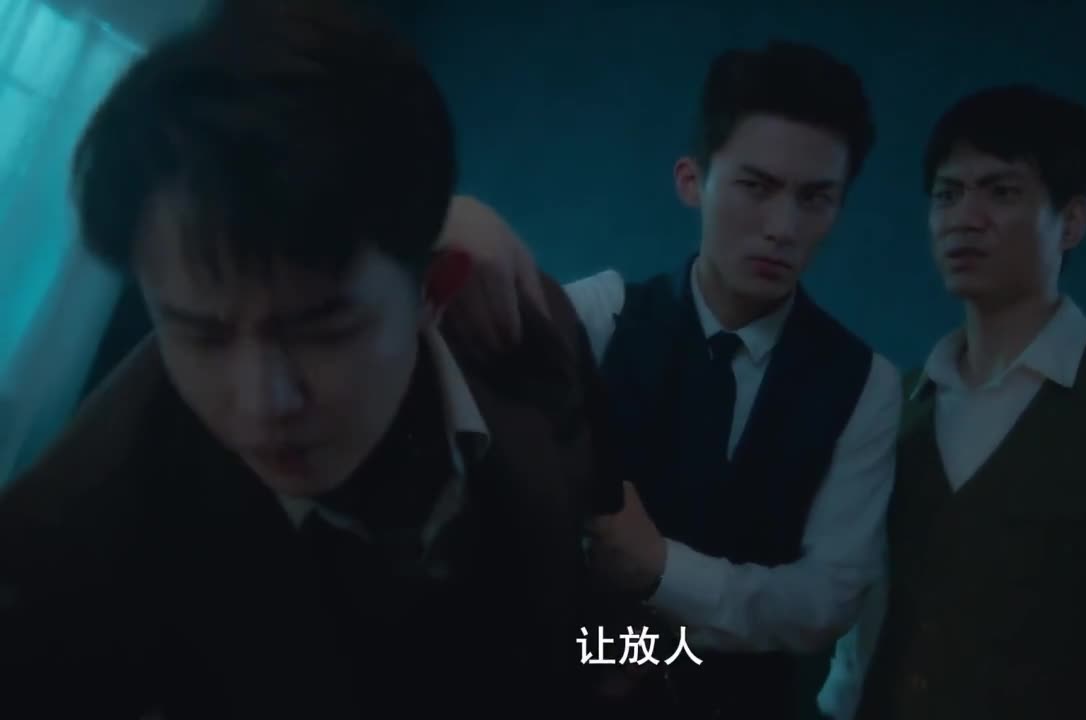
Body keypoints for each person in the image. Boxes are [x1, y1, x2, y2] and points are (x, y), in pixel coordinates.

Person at [0, 2, 626, 717]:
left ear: (434, 288)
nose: (261, 403)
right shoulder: (64, 569)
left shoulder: (532, 326)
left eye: (321, 330)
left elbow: (595, 549)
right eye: (200, 335)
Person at [442, 41, 902, 717]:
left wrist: (661, 569)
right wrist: (451, 223)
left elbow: (824, 601)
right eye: (756, 186)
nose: (782, 227)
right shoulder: (599, 317)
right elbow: (443, 396)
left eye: (815, 198)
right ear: (692, 180)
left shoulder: (865, 384)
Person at [819, 85, 1086, 720]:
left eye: (1001, 192)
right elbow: (862, 636)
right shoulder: (897, 401)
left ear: (1072, 221)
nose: (965, 217)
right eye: (947, 194)